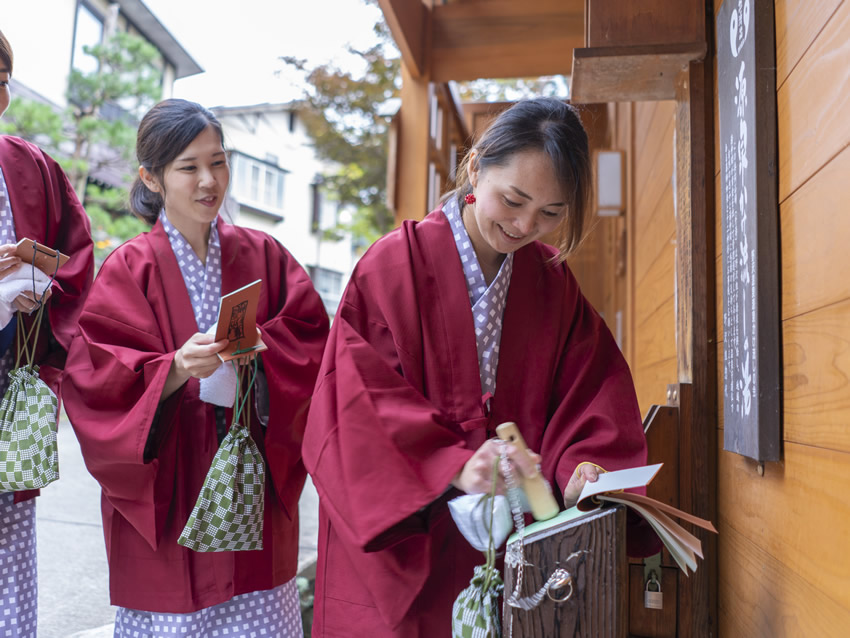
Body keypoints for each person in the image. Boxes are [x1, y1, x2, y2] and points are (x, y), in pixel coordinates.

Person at [303, 97, 660, 636]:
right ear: (476, 166)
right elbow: (354, 401)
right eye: (512, 200)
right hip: (412, 531)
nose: (524, 225)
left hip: (513, 533)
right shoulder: (392, 267)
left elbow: (592, 387)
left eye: (551, 213)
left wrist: (585, 465)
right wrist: (450, 463)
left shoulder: (552, 283)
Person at [63, 99, 329, 637]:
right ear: (151, 177)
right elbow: (96, 378)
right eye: (189, 167)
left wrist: (258, 353)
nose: (209, 180)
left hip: (248, 486)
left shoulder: (266, 254)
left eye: (219, 161)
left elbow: (313, 344)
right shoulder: (129, 268)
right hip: (172, 491)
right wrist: (175, 369)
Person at [0, 29, 95, 638]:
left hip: (10, 378)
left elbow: (78, 260)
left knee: (7, 538)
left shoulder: (29, 166)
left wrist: (45, 289)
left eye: (2, 77)